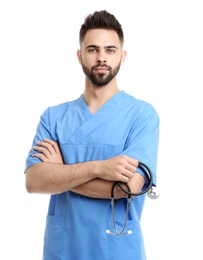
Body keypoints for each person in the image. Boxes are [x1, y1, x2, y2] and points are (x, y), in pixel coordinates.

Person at [24, 10, 160, 260]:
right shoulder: (53, 117)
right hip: (64, 248)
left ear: (122, 56)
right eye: (92, 49)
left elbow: (128, 187)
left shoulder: (142, 116)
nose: (101, 58)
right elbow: (33, 181)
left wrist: (62, 172)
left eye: (110, 50)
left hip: (118, 249)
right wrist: (100, 168)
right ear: (79, 55)